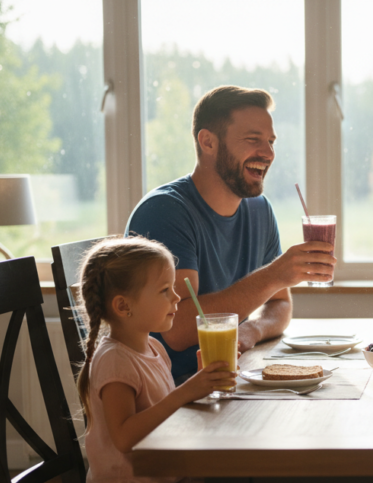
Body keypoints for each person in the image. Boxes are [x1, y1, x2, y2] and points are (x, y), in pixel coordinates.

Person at [76, 236, 338, 483]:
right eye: (165, 291)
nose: (177, 299)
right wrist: (186, 391)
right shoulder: (114, 361)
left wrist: (200, 385)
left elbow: (163, 413)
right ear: (124, 306)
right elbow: (125, 437)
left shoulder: (151, 348)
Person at [127, 85, 335, 383]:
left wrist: (252, 329)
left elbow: (280, 305)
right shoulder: (165, 212)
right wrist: (274, 275)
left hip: (227, 382)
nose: (268, 153)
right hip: (171, 396)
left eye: (271, 141)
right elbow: (177, 330)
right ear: (208, 142)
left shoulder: (259, 209)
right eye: (253, 140)